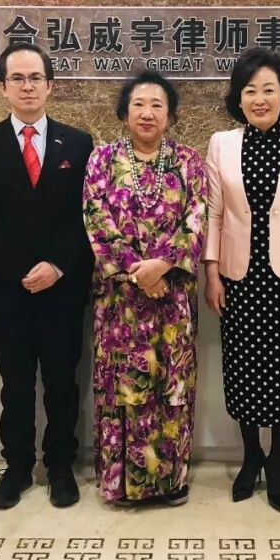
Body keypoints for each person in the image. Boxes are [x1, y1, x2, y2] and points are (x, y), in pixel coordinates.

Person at [0, 43, 94, 510]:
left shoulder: (78, 144)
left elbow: (87, 215)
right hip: (9, 290)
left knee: (62, 383)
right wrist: (23, 268)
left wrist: (57, 265)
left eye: (35, 77)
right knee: (15, 385)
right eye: (17, 78)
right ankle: (17, 467)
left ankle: (60, 467)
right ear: (3, 87)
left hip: (62, 289)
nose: (27, 86)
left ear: (50, 85)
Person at [203, 47, 280, 512]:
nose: (259, 99)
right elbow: (215, 213)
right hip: (238, 278)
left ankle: (276, 461)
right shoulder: (221, 143)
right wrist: (212, 273)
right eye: (250, 90)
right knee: (242, 372)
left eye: (269, 90)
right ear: (238, 98)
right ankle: (250, 456)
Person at [83, 71, 207, 506]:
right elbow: (96, 220)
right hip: (121, 302)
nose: (147, 112)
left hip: (172, 300)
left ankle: (170, 482)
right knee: (124, 388)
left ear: (170, 114)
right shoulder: (102, 159)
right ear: (124, 112)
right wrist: (139, 273)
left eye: (157, 104)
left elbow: (196, 219)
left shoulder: (189, 161)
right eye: (138, 104)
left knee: (171, 389)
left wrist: (162, 267)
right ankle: (122, 484)